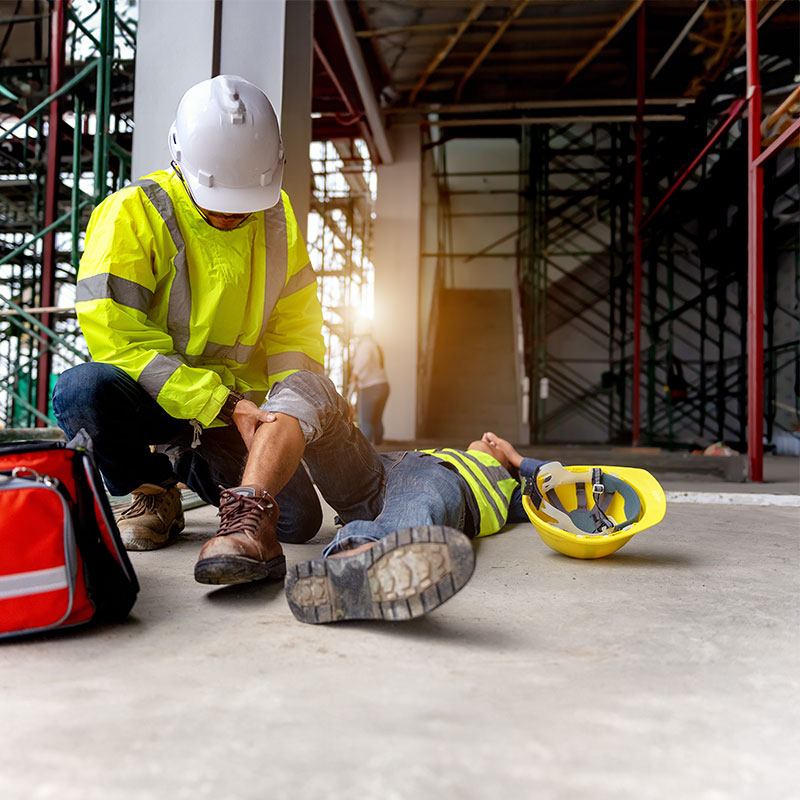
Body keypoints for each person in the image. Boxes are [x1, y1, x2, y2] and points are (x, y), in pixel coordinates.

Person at [52, 75, 327, 553]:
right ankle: (151, 491)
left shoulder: (279, 219)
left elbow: (295, 331)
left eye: (245, 205)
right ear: (181, 164)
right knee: (82, 390)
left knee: (295, 523)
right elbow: (120, 342)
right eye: (220, 204)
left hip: (235, 412)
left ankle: (185, 459)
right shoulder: (132, 213)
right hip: (157, 400)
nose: (233, 216)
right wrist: (220, 403)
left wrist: (285, 412)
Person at [189, 369, 548, 624]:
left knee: (420, 495)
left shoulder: (511, 487)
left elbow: (569, 491)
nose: (487, 438)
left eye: (494, 442)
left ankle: (360, 557)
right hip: (379, 472)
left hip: (436, 485)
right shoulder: (445, 451)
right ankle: (247, 520)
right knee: (311, 385)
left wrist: (518, 461)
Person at [346, 319, 389, 445]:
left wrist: (355, 374)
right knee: (376, 420)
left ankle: (366, 452)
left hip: (370, 387)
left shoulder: (365, 345)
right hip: (383, 385)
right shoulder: (375, 344)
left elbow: (362, 360)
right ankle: (381, 449)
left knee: (366, 421)